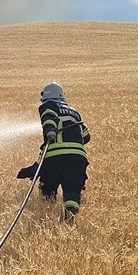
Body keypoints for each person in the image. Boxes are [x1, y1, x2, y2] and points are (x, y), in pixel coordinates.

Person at [17, 82, 90, 222]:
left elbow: (49, 117)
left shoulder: (48, 105)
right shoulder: (74, 111)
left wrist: (50, 130)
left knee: (48, 184)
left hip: (55, 156)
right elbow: (86, 136)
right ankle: (70, 209)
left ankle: (47, 209)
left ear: (45, 97)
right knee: (73, 185)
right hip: (78, 156)